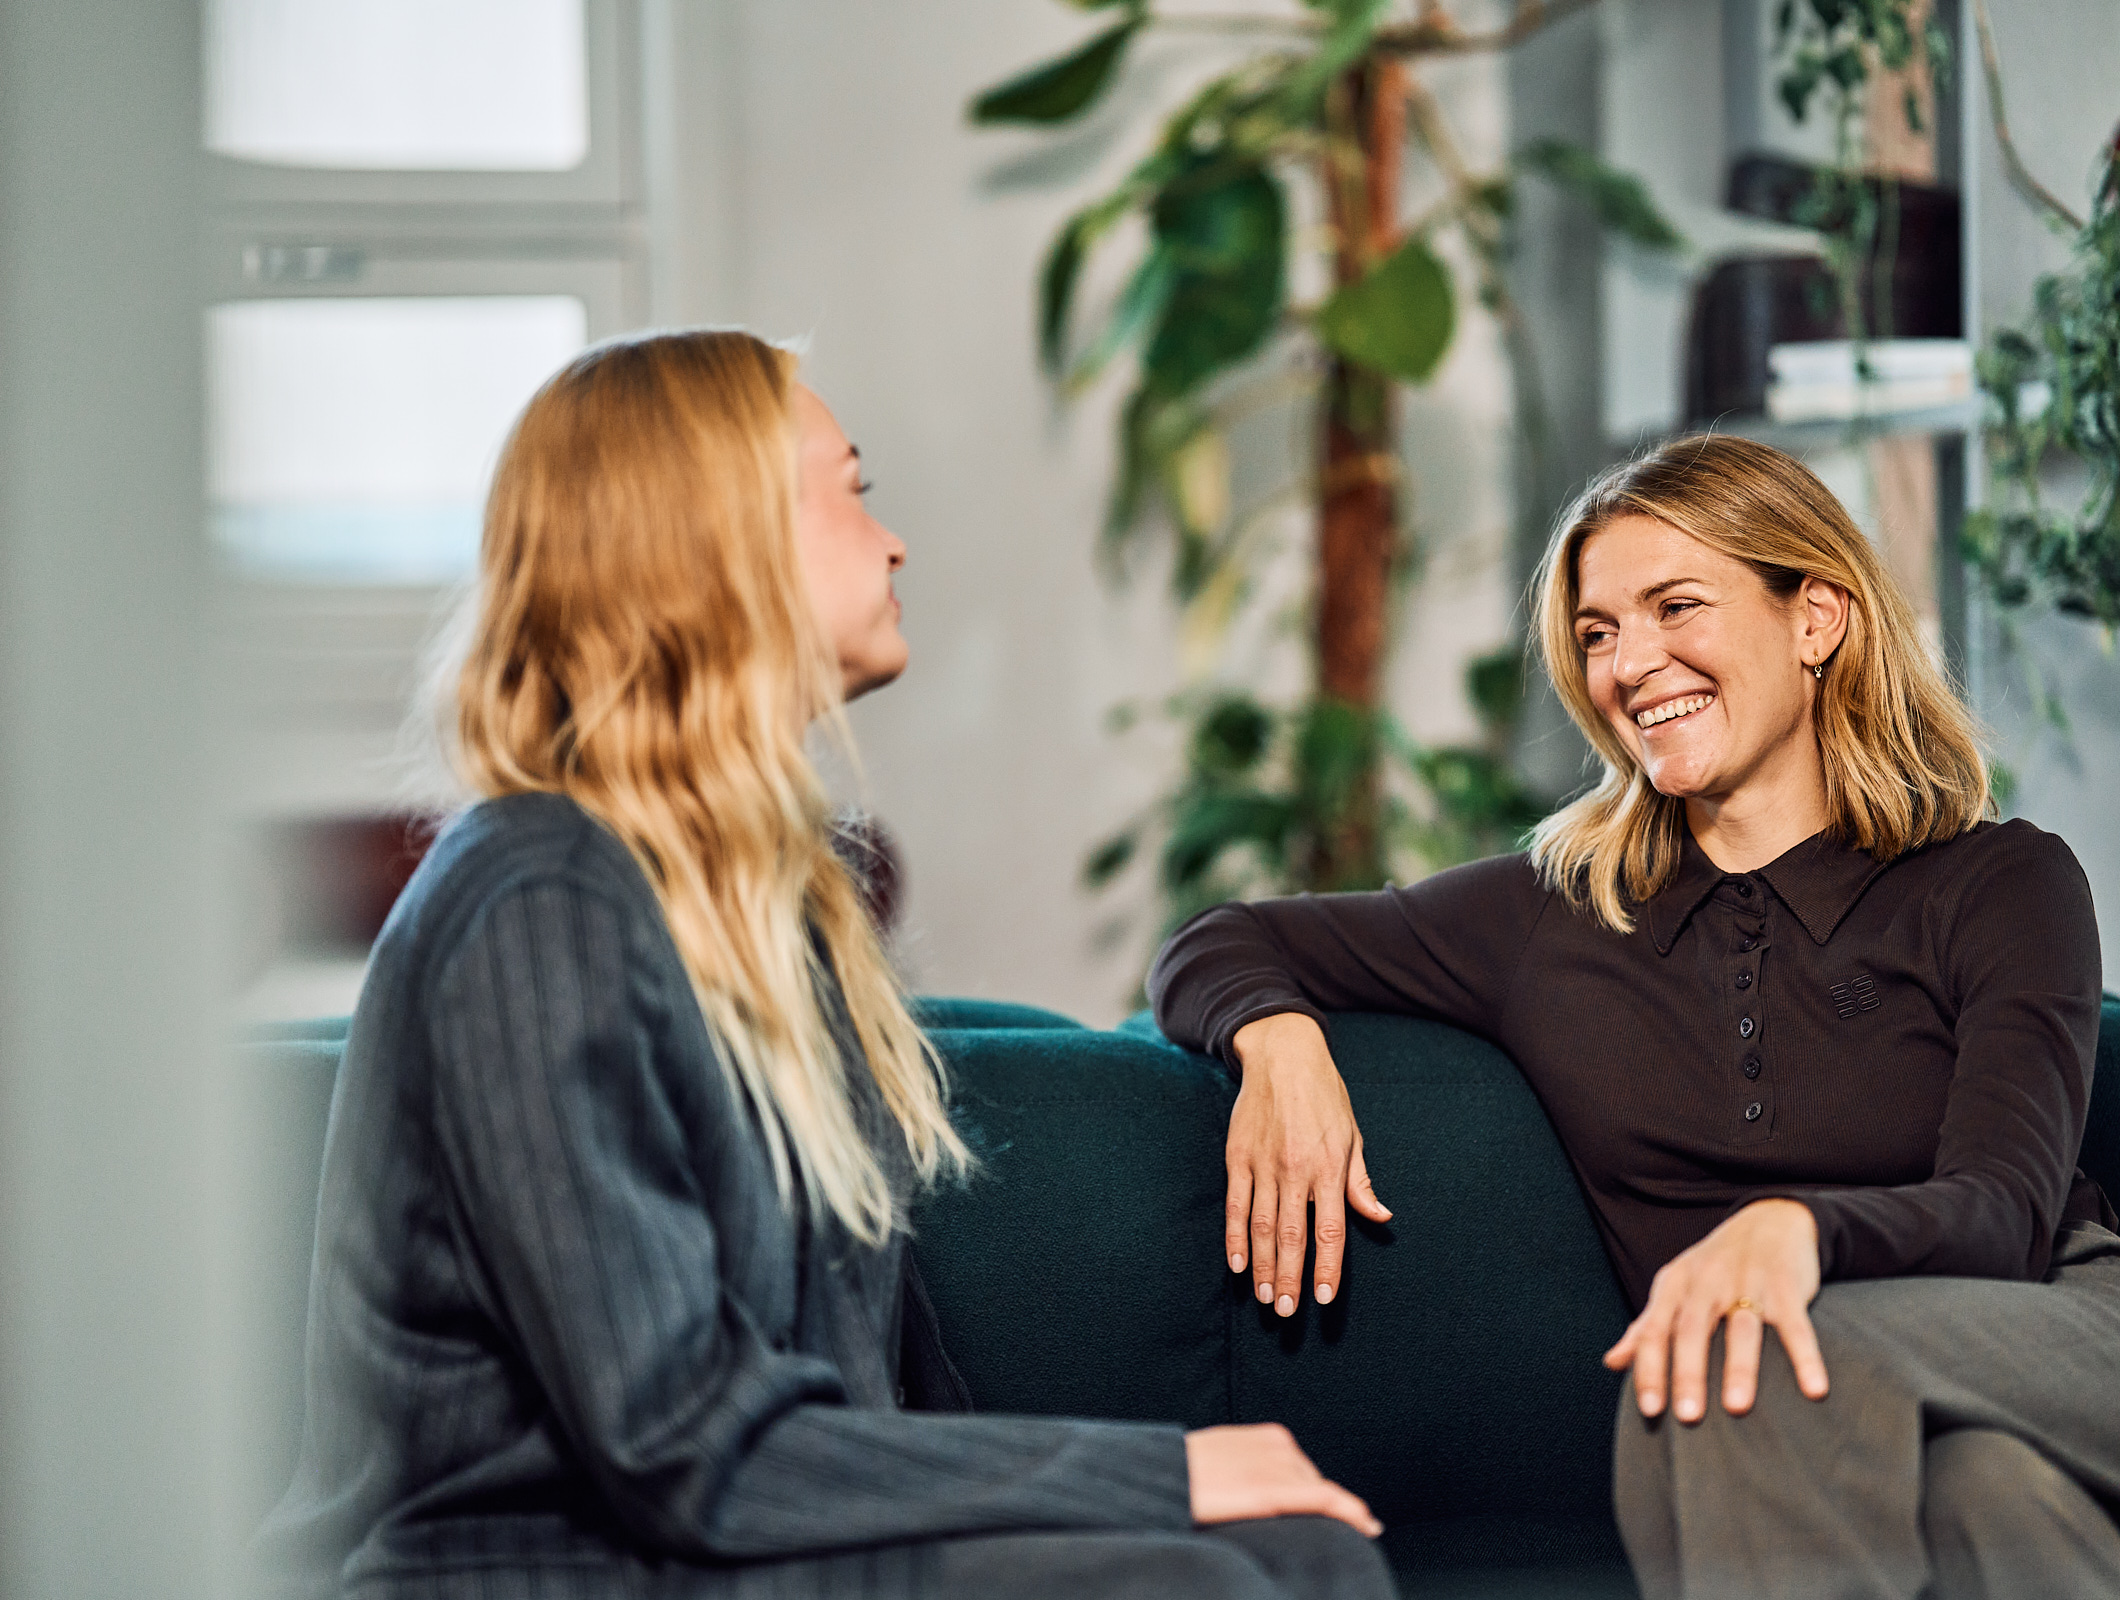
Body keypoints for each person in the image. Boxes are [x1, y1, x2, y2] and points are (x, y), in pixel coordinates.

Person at [262, 329, 1397, 1600]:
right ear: (717, 543)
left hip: (717, 1541)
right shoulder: (539, 896)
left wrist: (1153, 1486)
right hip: (536, 1567)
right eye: (851, 492)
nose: (894, 540)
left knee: (1300, 1551)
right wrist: (1162, 1476)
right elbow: (674, 1441)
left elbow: (873, 1391)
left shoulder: (769, 902)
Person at [1147, 434, 2120, 1600]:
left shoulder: (1998, 881)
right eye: (1599, 632)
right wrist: (1279, 1042)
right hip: (1846, 1428)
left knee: (1721, 1362)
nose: (1631, 662)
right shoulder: (1556, 914)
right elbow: (1218, 938)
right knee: (1971, 1499)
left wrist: (1796, 1232)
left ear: (1818, 619)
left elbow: (2007, 1218)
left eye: (1674, 606)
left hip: (2110, 1367)